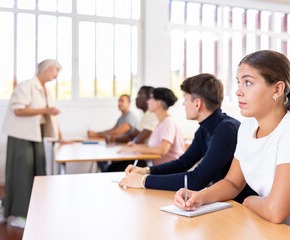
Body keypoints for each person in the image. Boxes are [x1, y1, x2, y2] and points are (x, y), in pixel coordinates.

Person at [173, 50, 290, 239]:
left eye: (248, 82)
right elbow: (233, 183)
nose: (238, 91)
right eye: (238, 82)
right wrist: (199, 196)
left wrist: (248, 200)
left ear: (277, 89)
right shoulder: (248, 126)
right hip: (279, 230)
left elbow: (275, 211)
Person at [119, 73, 257, 203]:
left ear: (197, 104)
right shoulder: (205, 129)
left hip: (242, 206)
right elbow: (182, 164)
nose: (184, 104)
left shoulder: (226, 130)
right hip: (226, 202)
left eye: (185, 99)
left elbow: (196, 180)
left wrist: (143, 181)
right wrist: (146, 171)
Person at [0, 59, 65, 229]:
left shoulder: (46, 90)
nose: (56, 76)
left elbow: (51, 116)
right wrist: (45, 111)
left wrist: (61, 138)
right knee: (21, 176)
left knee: (36, 174)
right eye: (55, 71)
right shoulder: (26, 86)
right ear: (47, 69)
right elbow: (18, 110)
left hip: (36, 135)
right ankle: (18, 213)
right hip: (21, 136)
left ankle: (18, 208)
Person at [119, 87, 185, 166]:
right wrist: (136, 146)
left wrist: (135, 148)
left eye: (150, 98)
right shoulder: (160, 123)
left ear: (158, 103)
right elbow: (154, 146)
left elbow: (162, 150)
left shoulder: (168, 122)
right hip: (160, 169)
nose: (148, 102)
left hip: (170, 171)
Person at [105, 86, 158, 171]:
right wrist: (115, 140)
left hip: (144, 159)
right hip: (139, 154)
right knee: (112, 164)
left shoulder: (153, 115)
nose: (136, 99)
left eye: (139, 95)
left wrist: (127, 143)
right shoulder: (146, 115)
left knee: (111, 168)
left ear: (149, 98)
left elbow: (137, 140)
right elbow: (132, 136)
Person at [87, 94, 138, 171]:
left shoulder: (130, 117)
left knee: (102, 159)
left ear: (129, 103)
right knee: (99, 156)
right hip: (119, 148)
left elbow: (116, 133)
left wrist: (95, 134)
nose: (119, 103)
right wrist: (95, 133)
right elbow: (111, 130)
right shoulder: (121, 117)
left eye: (122, 101)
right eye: (118, 101)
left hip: (127, 153)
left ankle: (106, 172)